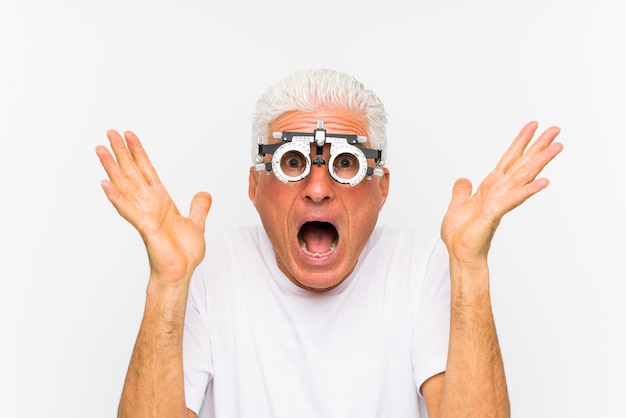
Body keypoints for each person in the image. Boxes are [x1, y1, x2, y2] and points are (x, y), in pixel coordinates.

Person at [96, 68, 563, 418]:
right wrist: (168, 285)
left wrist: (470, 266)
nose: (317, 188)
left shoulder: (419, 267)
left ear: (381, 188)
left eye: (344, 164)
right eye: (293, 160)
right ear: (255, 187)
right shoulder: (206, 269)